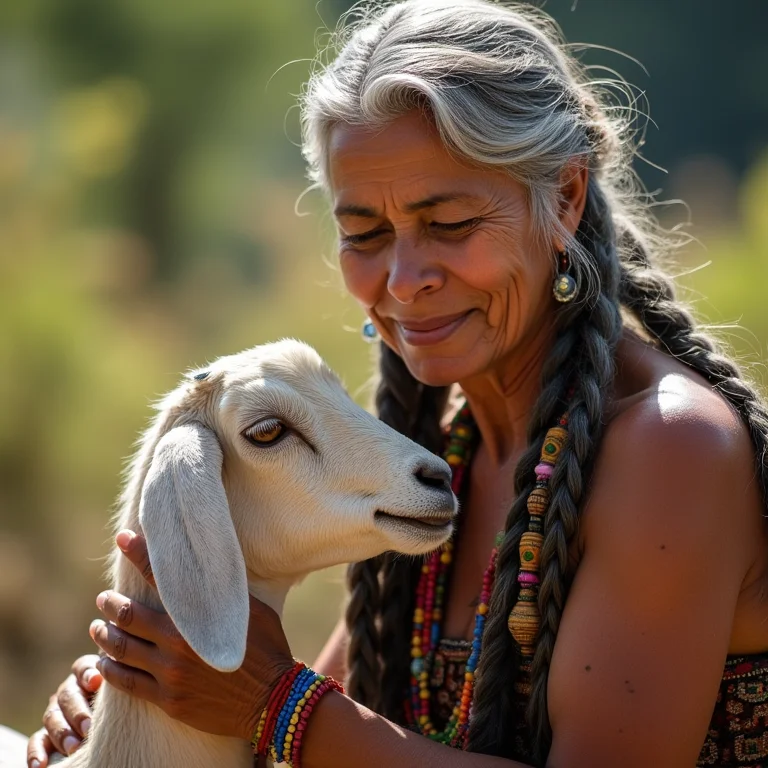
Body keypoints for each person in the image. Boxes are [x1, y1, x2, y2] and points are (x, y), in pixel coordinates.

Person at [23, 1, 768, 766]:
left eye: (448, 224)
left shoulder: (671, 449)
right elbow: (310, 722)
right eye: (366, 235)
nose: (404, 280)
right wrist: (148, 700)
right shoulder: (442, 445)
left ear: (566, 199)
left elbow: (298, 716)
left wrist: (273, 705)